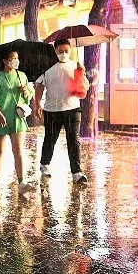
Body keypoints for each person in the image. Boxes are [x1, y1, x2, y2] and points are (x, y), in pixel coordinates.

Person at [34, 40, 90, 184]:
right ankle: (44, 164)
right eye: (60, 51)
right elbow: (39, 86)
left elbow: (84, 88)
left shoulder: (75, 66)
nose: (63, 53)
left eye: (66, 50)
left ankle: (77, 172)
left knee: (73, 140)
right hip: (52, 109)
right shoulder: (46, 66)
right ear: (55, 51)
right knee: (50, 138)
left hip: (72, 108)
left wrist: (81, 73)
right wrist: (37, 103)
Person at [0, 50, 33, 191]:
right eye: (13, 58)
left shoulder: (22, 76)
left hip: (17, 117)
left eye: (17, 58)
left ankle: (21, 181)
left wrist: (26, 92)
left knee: (18, 150)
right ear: (5, 60)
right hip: (0, 117)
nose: (16, 60)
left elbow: (28, 96)